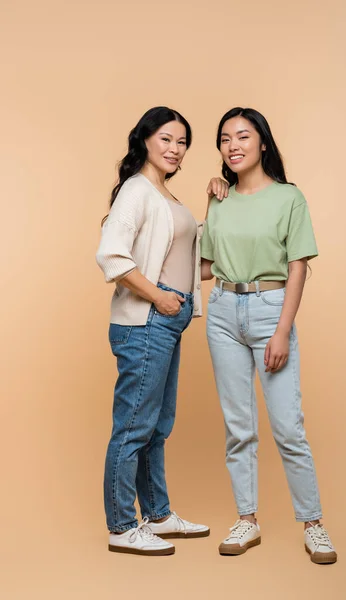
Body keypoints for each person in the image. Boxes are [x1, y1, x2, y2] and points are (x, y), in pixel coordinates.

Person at [201, 107, 337, 564]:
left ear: (263, 143)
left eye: (242, 136)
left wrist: (282, 331)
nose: (233, 145)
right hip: (221, 311)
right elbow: (204, 264)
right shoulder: (218, 199)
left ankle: (313, 523)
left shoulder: (289, 198)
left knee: (286, 427)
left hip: (269, 311)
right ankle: (247, 519)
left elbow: (298, 266)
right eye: (225, 138)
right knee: (238, 427)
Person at [96, 106, 227, 556]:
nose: (175, 149)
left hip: (167, 320)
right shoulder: (136, 191)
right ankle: (121, 526)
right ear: (146, 140)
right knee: (134, 426)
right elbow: (112, 256)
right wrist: (159, 297)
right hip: (145, 320)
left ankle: (157, 515)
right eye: (167, 139)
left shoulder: (167, 197)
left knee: (156, 427)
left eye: (183, 142)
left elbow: (198, 264)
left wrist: (215, 204)